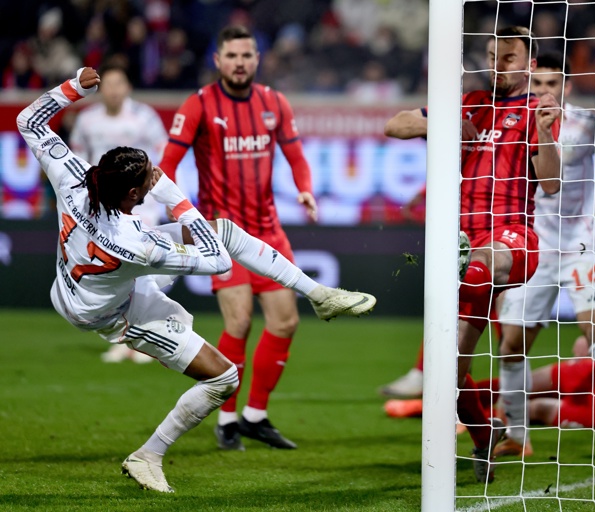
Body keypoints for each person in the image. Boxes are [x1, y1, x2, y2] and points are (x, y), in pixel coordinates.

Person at [19, 67, 376, 493]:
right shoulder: (136, 243)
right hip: (112, 311)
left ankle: (320, 295)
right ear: (132, 195)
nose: (152, 182)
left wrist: (74, 86)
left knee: (224, 227)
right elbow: (218, 261)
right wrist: (174, 196)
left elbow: (28, 120)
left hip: (79, 283)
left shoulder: (73, 176)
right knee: (224, 379)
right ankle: (147, 455)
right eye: (146, 183)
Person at [385, 26, 561, 484]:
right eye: (490, 55)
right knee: (451, 370)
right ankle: (486, 434)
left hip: (513, 240)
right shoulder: (468, 102)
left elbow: (552, 183)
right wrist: (437, 123)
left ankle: (456, 412)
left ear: (530, 64)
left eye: (507, 56)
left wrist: (545, 136)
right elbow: (395, 124)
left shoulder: (535, 110)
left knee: (481, 264)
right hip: (461, 250)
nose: (497, 63)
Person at [159, 25, 321, 451]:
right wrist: (180, 214)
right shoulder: (198, 104)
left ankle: (254, 415)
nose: (240, 63)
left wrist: (304, 187)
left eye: (247, 55)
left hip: (268, 228)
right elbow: (167, 165)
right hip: (223, 235)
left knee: (286, 321)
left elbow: (296, 154)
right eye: (231, 55)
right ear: (218, 60)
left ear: (257, 59)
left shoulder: (274, 103)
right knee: (240, 322)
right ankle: (226, 418)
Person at [494, 52, 595, 466]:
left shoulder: (588, 123)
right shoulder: (516, 123)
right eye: (537, 84)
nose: (544, 91)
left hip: (579, 244)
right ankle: (517, 436)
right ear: (528, 86)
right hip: (533, 248)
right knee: (512, 344)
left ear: (566, 87)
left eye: (552, 84)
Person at [386, 330, 595, 436]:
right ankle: (433, 401)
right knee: (516, 384)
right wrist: (592, 342)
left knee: (537, 408)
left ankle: (464, 419)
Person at [70, 62, 168, 364]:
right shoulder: (87, 120)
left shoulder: (145, 118)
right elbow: (76, 161)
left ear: (127, 88)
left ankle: (143, 336)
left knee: (142, 269)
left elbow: (163, 154)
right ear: (100, 88)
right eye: (107, 84)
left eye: (118, 83)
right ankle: (127, 337)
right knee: (116, 271)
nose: (113, 90)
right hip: (103, 210)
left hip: (143, 205)